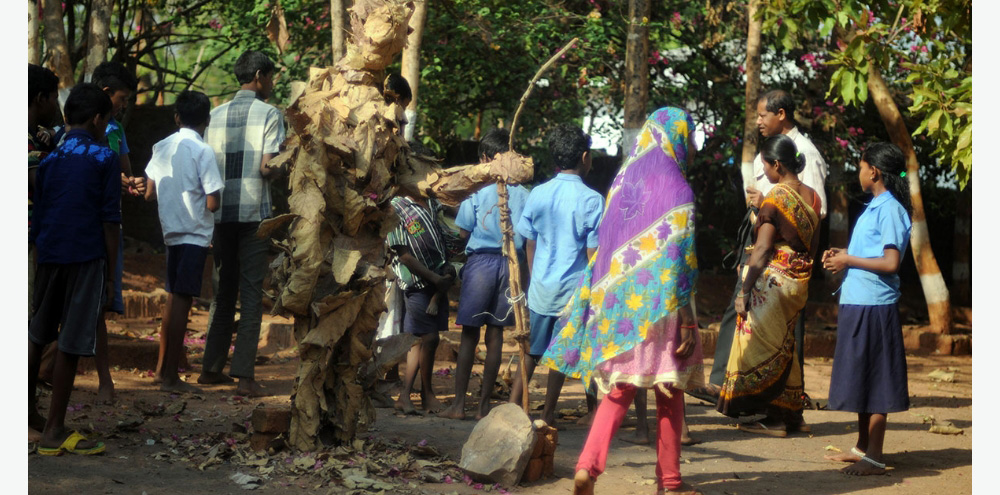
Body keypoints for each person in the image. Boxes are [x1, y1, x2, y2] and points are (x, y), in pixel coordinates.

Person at [540, 107, 704, 495]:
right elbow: (680, 263)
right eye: (690, 137)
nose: (693, 147)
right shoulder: (678, 190)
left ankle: (587, 467)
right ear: (676, 137)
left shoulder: (620, 184)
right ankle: (670, 482)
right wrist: (687, 321)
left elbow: (607, 248)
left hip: (620, 306)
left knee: (618, 391)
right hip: (664, 309)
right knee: (669, 392)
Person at [692, 89, 827, 417]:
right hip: (760, 242)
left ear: (781, 114)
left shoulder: (806, 153)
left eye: (763, 115)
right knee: (740, 313)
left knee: (779, 328)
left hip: (778, 256)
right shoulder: (767, 155)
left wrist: (770, 210)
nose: (758, 121)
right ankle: (729, 382)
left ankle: (772, 400)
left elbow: (811, 210)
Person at [29, 83, 119, 456]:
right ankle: (54, 429)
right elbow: (110, 220)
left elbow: (40, 210)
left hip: (48, 254)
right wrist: (111, 274)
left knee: (37, 336)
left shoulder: (47, 160)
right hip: (85, 256)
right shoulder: (104, 158)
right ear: (98, 120)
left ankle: (24, 417)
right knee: (69, 343)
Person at [715, 134, 821, 436]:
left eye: (765, 166)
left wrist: (745, 290)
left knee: (765, 347)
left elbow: (761, 250)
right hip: (799, 282)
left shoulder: (775, 198)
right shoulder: (813, 196)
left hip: (773, 283)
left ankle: (773, 419)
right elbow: (810, 246)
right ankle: (794, 416)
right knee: (786, 346)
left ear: (777, 165)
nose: (765, 173)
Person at [197, 50, 286, 397]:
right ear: (261, 75)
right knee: (251, 293)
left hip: (220, 215)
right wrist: (289, 162)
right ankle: (245, 377)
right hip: (253, 216)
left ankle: (210, 368)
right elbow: (267, 167)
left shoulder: (214, 115)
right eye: (272, 77)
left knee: (223, 292)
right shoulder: (270, 114)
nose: (272, 84)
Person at [821, 142, 912, 476]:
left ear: (873, 170)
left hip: (875, 305)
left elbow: (890, 262)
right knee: (861, 374)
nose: (858, 172)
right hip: (858, 301)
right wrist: (843, 254)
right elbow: (871, 252)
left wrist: (848, 259)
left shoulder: (890, 209)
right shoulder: (876, 206)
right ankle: (862, 447)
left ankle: (875, 455)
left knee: (876, 378)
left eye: (860, 166)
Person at [510, 124, 604, 427]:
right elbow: (593, 255)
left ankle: (512, 408)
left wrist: (533, 278)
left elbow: (527, 243)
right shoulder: (592, 200)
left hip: (541, 287)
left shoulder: (538, 193)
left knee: (532, 351)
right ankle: (557, 412)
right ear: (585, 157)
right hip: (574, 291)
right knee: (575, 352)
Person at [135, 91, 224, 394]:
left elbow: (149, 193)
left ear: (176, 118)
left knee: (173, 299)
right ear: (207, 120)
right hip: (194, 234)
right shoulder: (203, 150)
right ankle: (170, 376)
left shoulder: (161, 146)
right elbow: (212, 202)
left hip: (171, 232)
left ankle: (163, 370)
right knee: (182, 302)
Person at [438, 128, 529, 421]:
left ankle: (458, 405)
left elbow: (463, 232)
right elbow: (526, 237)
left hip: (481, 264)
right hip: (510, 265)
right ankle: (483, 407)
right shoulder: (524, 193)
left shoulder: (477, 190)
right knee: (496, 335)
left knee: (468, 335)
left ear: (488, 158)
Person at [387, 192, 455, 415]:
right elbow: (404, 255)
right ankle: (425, 395)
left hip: (438, 279)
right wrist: (434, 278)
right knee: (429, 338)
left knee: (420, 341)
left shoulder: (431, 202)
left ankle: (409, 396)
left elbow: (443, 232)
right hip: (417, 280)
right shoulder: (396, 206)